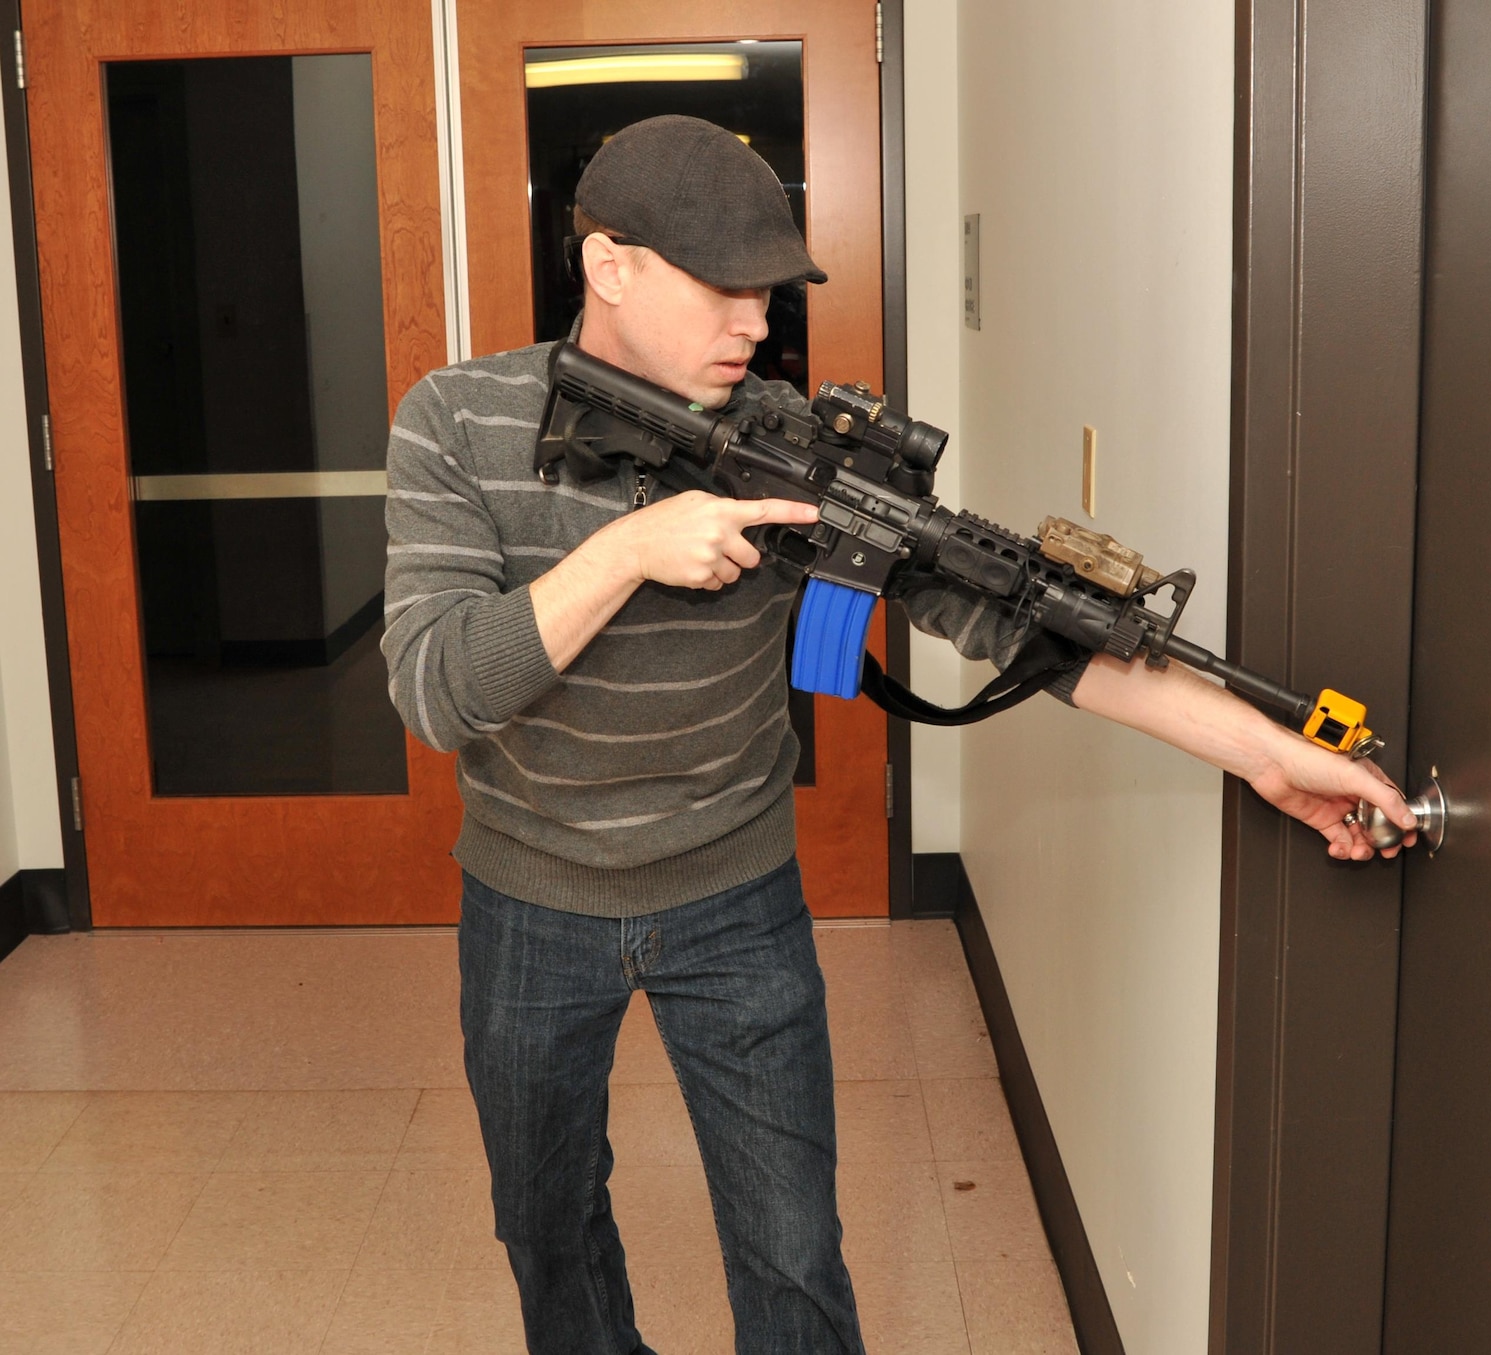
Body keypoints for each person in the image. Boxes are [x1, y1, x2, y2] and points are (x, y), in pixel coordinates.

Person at [382, 114, 1414, 1355]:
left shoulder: (792, 453)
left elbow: (1028, 633)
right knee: (546, 1223)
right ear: (611, 266)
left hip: (733, 894)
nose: (755, 327)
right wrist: (625, 552)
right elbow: (436, 689)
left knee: (790, 1246)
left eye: (766, 297)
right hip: (528, 898)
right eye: (725, 291)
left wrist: (1271, 755)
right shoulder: (452, 420)